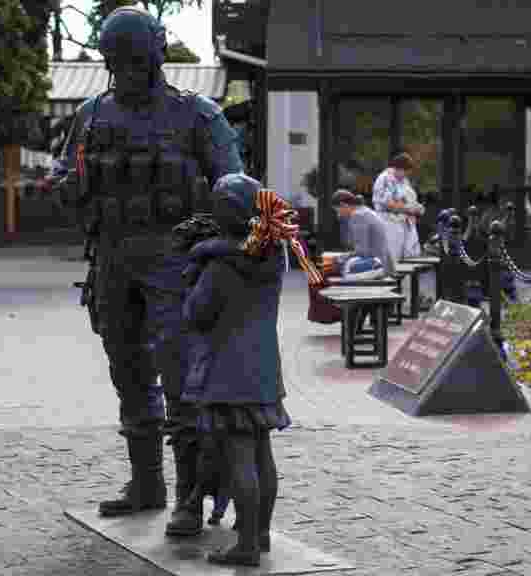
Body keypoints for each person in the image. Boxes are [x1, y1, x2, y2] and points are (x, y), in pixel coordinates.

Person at [59, 6, 244, 534]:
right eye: (121, 63)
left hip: (175, 264)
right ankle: (147, 483)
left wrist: (219, 251)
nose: (132, 72)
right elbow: (65, 166)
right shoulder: (92, 113)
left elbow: (236, 188)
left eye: (139, 60)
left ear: (158, 54)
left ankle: (189, 496)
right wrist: (66, 182)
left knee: (181, 378)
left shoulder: (198, 114)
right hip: (113, 261)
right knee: (128, 372)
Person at [181, 174, 320, 567]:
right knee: (262, 456)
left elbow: (196, 314)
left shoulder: (219, 267)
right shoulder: (273, 255)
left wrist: (191, 274)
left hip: (227, 372)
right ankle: (259, 534)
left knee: (239, 458)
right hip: (263, 369)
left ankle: (245, 546)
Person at [372, 152, 424, 260]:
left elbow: (408, 199)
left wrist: (417, 208)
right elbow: (388, 204)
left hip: (402, 224)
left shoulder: (403, 180)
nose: (406, 175)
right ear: (399, 168)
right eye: (405, 171)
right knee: (391, 257)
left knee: (406, 257)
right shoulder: (385, 178)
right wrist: (408, 209)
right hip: (387, 222)